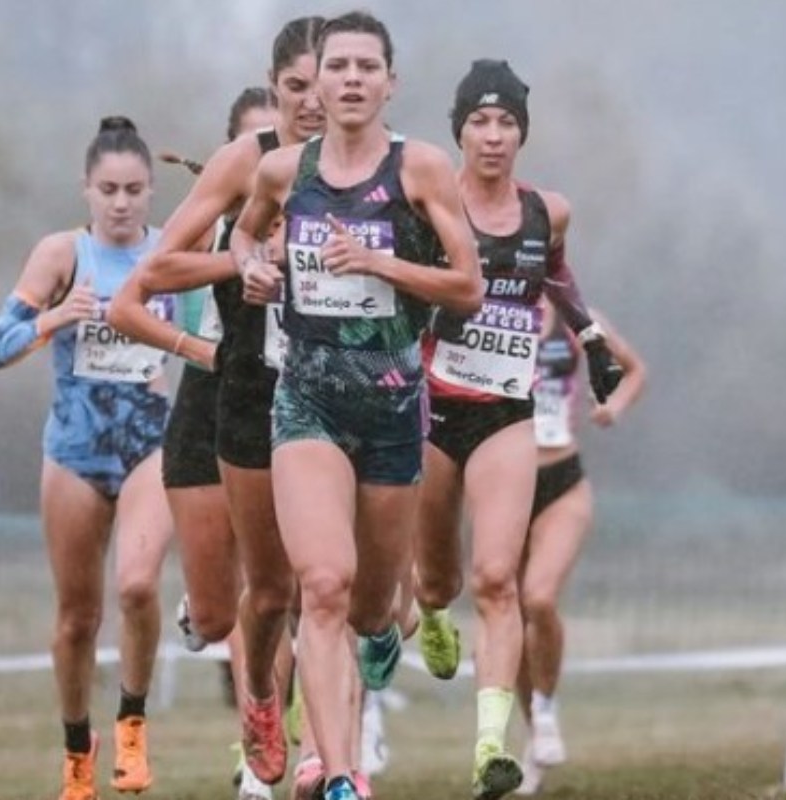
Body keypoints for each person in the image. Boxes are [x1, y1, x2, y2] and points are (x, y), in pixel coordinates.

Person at [230, 12, 483, 800]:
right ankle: (339, 775)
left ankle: (383, 637)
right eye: (335, 65)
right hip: (304, 403)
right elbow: (242, 236)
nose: (347, 80)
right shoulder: (283, 172)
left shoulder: (421, 171)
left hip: (392, 412)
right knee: (324, 585)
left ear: (388, 83)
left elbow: (466, 287)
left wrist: (379, 261)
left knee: (374, 605)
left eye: (363, 67)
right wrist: (253, 269)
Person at [109, 16, 327, 793]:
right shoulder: (241, 171)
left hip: (317, 396)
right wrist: (233, 264)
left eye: (319, 84)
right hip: (221, 395)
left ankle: (308, 761)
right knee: (220, 613)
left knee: (313, 590)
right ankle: (239, 668)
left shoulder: (365, 172)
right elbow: (143, 287)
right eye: (292, 88)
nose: (306, 102)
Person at [410, 59, 626, 800]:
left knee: (497, 580)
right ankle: (430, 612)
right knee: (436, 580)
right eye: (479, 122)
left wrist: (591, 341)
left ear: (521, 135)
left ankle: (489, 750)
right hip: (433, 412)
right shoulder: (429, 206)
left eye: (505, 124)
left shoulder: (547, 212)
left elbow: (557, 276)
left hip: (506, 415)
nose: (493, 136)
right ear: (459, 131)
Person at [0, 116, 176, 800]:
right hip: (73, 450)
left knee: (139, 586)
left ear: (151, 191)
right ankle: (75, 748)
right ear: (86, 191)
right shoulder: (62, 254)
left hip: (150, 442)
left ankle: (131, 720)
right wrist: (52, 319)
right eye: (108, 190)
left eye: (133, 190)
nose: (120, 203)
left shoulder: (171, 253)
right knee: (76, 618)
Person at [516, 302, 646, 795]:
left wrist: (612, 406)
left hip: (562, 481)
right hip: (504, 486)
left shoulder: (578, 317)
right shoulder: (485, 307)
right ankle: (533, 734)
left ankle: (546, 708)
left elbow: (634, 372)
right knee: (508, 613)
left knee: (540, 599)